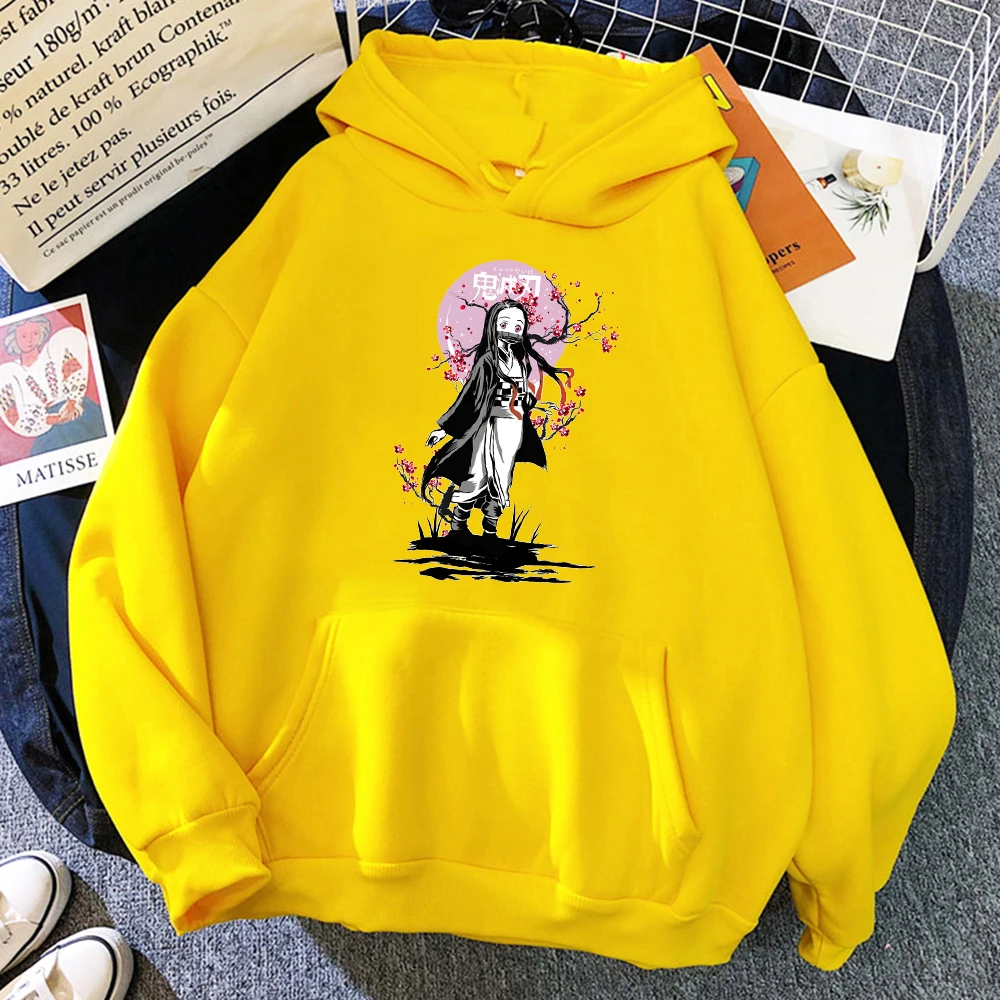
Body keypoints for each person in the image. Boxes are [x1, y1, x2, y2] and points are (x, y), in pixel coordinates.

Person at [421, 298, 569, 538]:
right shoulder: (487, 361)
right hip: (488, 425)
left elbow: (522, 396)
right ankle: (459, 524)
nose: (511, 330)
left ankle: (490, 529)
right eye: (504, 324)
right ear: (493, 325)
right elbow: (470, 396)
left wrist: (530, 400)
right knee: (477, 473)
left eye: (518, 326)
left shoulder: (520, 362)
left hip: (513, 426)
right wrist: (444, 429)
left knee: (502, 476)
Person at [0, 315, 104, 461]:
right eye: (23, 336)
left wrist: (72, 402)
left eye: (35, 333)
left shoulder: (55, 349)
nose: (30, 340)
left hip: (77, 411)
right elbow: (14, 415)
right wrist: (52, 419)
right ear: (14, 339)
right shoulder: (9, 372)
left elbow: (73, 370)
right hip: (47, 427)